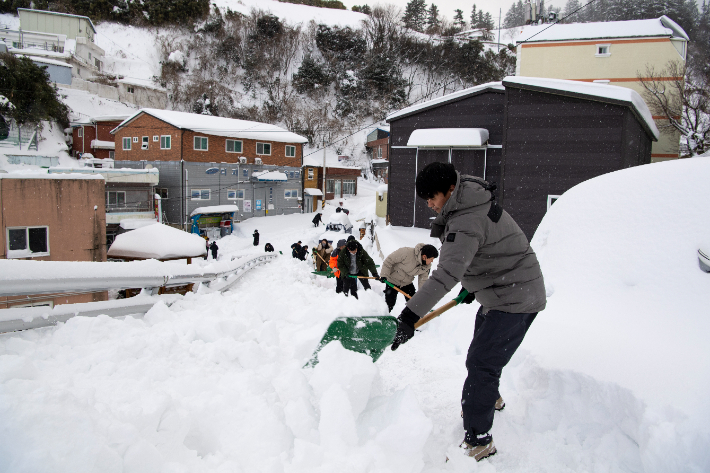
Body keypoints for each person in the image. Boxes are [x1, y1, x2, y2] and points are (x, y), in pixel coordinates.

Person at [391, 162, 546, 461]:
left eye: (431, 197)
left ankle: (479, 441)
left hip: (515, 298)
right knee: (482, 357)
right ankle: (489, 398)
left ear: (450, 189)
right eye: (425, 199)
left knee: (480, 363)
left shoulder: (466, 219)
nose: (429, 204)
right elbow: (490, 252)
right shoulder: (468, 201)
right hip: (503, 290)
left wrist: (410, 315)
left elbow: (446, 273)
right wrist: (472, 286)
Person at [380, 244, 439, 313]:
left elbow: (423, 280)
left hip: (407, 282)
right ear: (424, 257)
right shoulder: (406, 252)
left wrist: (423, 295)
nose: (432, 261)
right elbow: (389, 261)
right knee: (390, 303)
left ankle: (407, 319)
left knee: (413, 302)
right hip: (393, 280)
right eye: (431, 259)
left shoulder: (426, 266)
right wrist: (384, 275)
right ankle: (384, 317)